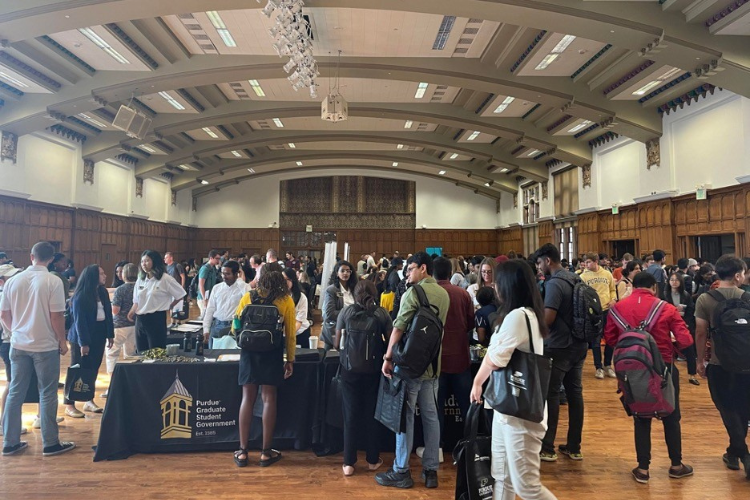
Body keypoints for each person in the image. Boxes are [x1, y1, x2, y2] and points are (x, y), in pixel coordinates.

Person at [470, 259, 556, 500]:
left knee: (526, 486)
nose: (495, 285)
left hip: (520, 412)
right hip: (508, 407)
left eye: (499, 281)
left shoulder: (518, 316)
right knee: (503, 477)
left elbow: (496, 358)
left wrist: (477, 382)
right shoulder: (523, 314)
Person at [604, 272, 694, 483]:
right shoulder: (666, 308)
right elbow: (686, 340)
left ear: (633, 287)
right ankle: (676, 465)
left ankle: (643, 469)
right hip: (664, 367)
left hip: (633, 370)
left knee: (640, 417)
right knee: (671, 416)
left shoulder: (617, 308)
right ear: (654, 287)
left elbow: (609, 339)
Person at [376, 252, 449, 490]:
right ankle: (431, 471)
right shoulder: (443, 294)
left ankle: (401, 470)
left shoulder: (413, 293)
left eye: (411, 268)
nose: (408, 273)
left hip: (408, 367)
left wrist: (388, 358)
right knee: (431, 417)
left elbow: (398, 328)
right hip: (432, 365)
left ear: (424, 268)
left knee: (404, 418)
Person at [0, 241, 75, 457]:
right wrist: (62, 340)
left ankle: (10, 442)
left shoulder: (13, 281)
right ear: (51, 259)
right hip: (45, 345)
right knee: (48, 392)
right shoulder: (52, 281)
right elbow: (56, 316)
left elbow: (4, 314)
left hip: (18, 344)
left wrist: (16, 331)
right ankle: (50, 443)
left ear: (31, 255)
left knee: (15, 391)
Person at [232, 271, 295, 468]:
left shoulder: (247, 296)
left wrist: (240, 337)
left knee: (247, 399)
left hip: (249, 353)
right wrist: (290, 360)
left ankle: (242, 452)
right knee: (269, 399)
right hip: (272, 353)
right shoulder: (285, 301)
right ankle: (266, 453)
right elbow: (291, 334)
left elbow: (235, 324)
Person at [695, 255, 750, 478]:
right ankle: (733, 452)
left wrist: (699, 360)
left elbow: (700, 332)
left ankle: (744, 455)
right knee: (743, 408)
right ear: (737, 275)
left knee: (727, 409)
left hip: (719, 363)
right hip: (747, 363)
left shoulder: (705, 299)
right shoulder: (748, 297)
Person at [535, 243, 588, 462]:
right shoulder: (575, 278)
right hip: (579, 343)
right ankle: (574, 446)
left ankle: (547, 447)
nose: (538, 268)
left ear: (548, 261)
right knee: (575, 393)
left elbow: (549, 318)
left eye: (539, 263)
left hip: (559, 346)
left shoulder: (555, 284)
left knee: (552, 393)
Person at [334, 280, 391, 476]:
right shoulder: (381, 313)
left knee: (350, 415)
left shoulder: (346, 312)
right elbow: (391, 341)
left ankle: (349, 463)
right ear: (374, 293)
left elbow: (336, 343)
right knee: (372, 414)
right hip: (374, 370)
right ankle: (373, 460)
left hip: (349, 370)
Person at [430, 256, 474, 463]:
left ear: (432, 273)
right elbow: (471, 323)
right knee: (466, 405)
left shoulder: (429, 294)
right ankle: (469, 447)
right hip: (460, 358)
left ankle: (437, 448)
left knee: (436, 407)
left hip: (436, 359)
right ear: (450, 272)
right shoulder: (463, 294)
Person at [63, 264, 114, 418]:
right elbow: (80, 322)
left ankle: (88, 399)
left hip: (99, 334)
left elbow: (108, 314)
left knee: (93, 369)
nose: (105, 276)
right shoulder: (81, 296)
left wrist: (110, 334)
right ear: (92, 276)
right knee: (77, 369)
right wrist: (84, 343)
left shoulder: (102, 292)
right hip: (81, 337)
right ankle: (69, 404)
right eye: (101, 273)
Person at [127, 250, 186, 352]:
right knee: (141, 353)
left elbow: (180, 294)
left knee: (156, 353)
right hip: (140, 320)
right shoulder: (140, 279)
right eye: (142, 261)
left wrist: (170, 306)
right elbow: (136, 300)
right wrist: (131, 312)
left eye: (147, 261)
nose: (144, 264)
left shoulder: (165, 279)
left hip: (156, 319)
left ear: (154, 261)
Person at [580, 252, 617, 379]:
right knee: (595, 340)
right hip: (593, 312)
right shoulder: (583, 277)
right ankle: (598, 367)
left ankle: (608, 365)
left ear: (596, 262)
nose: (587, 264)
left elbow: (613, 289)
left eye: (589, 262)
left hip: (607, 310)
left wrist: (614, 299)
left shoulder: (607, 274)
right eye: (585, 262)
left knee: (610, 339)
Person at [105, 263, 138, 395]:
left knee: (112, 354)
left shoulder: (121, 289)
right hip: (135, 325)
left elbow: (116, 310)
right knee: (131, 355)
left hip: (119, 326)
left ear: (124, 274)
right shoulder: (140, 288)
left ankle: (113, 386)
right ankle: (130, 385)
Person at [662, 272, 699, 386]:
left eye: (676, 280)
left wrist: (686, 323)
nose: (674, 282)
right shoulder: (664, 295)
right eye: (672, 280)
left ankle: (692, 375)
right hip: (667, 324)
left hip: (682, 324)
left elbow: (690, 310)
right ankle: (665, 374)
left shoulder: (686, 295)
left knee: (690, 349)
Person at [0, 264, 24, 437]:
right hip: (9, 342)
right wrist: (16, 333)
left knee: (13, 382)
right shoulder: (3, 296)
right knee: (12, 383)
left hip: (11, 341)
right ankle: (4, 423)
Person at [202, 260, 245, 348]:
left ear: (236, 274)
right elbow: (210, 309)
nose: (224, 276)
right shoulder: (217, 288)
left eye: (227, 274)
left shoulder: (243, 287)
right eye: (222, 273)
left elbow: (249, 301)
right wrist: (206, 329)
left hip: (234, 327)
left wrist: (240, 281)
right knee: (213, 356)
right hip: (217, 326)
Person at [322, 260, 357, 349]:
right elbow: (330, 313)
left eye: (348, 271)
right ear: (337, 273)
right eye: (342, 271)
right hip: (334, 328)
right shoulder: (331, 290)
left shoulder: (354, 289)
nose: (346, 273)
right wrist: (349, 313)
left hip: (352, 328)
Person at [282, 267, 311, 347]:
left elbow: (299, 321)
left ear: (292, 280)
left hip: (300, 332)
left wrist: (289, 335)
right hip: (283, 334)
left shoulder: (302, 297)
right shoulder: (278, 297)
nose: (283, 283)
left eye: (286, 280)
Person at [197, 250, 221, 319]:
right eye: (217, 258)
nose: (218, 260)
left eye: (219, 258)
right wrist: (205, 299)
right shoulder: (205, 269)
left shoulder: (213, 268)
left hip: (210, 296)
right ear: (211, 258)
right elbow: (201, 285)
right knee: (205, 317)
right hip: (203, 297)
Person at [165, 252, 186, 327]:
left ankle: (179, 322)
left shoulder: (177, 266)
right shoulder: (166, 267)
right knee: (171, 306)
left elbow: (183, 276)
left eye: (166, 258)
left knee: (179, 306)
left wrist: (182, 287)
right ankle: (173, 322)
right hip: (170, 290)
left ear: (171, 258)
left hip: (177, 289)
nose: (165, 259)